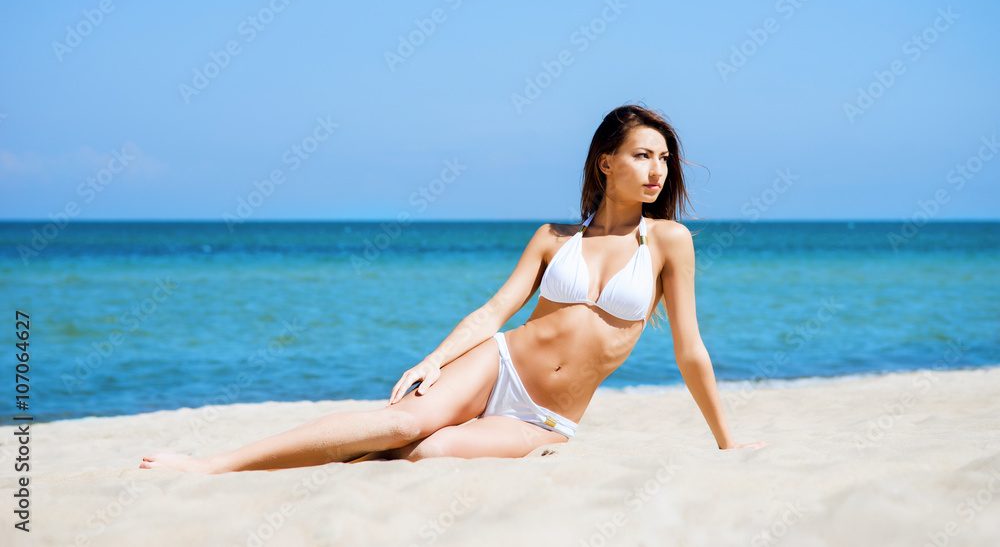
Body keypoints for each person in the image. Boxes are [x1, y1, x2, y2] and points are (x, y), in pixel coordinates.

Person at [140, 103, 765, 474]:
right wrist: (435, 359)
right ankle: (212, 467)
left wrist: (726, 442)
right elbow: (496, 310)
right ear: (606, 161)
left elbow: (690, 350)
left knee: (426, 452)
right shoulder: (553, 237)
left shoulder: (668, 243)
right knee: (403, 420)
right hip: (498, 365)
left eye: (662, 158)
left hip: (547, 417)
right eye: (641, 155)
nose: (657, 170)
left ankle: (330, 456)